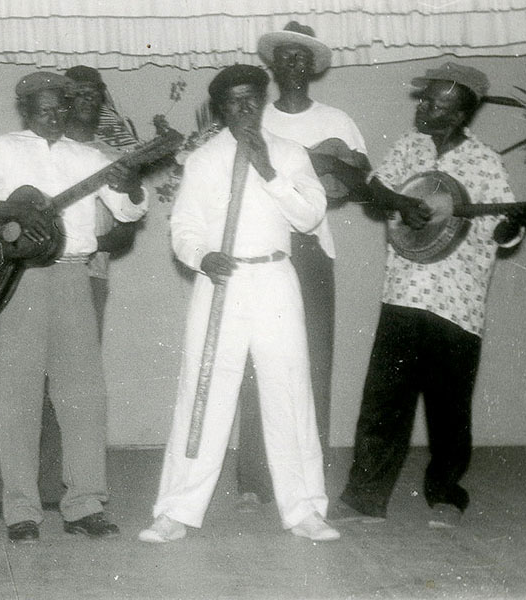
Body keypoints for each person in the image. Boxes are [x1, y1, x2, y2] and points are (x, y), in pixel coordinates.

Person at [138, 64, 339, 543]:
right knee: (202, 391)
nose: (245, 109)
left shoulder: (290, 154)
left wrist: (269, 170)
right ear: (220, 108)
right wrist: (201, 255)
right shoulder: (204, 160)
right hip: (220, 283)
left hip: (274, 280)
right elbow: (183, 228)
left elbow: (310, 216)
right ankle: (175, 511)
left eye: (253, 99)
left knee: (289, 392)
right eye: (234, 102)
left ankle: (305, 509)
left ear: (264, 101)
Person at [326, 63, 526, 527]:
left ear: (460, 114)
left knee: (448, 407)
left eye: (436, 103)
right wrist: (399, 203)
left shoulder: (484, 163)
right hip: (403, 292)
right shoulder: (409, 147)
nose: (423, 107)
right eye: (424, 98)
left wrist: (511, 225)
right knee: (383, 401)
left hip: (456, 303)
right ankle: (364, 499)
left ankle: (445, 494)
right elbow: (376, 190)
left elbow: (502, 232)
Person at [0, 71, 147, 542]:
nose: (55, 117)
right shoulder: (4, 149)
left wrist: (131, 182)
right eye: (44, 110)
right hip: (22, 282)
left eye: (62, 108)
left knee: (85, 396)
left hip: (74, 274)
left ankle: (84, 506)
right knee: (20, 396)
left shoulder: (88, 156)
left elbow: (128, 211)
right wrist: (10, 211)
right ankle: (21, 511)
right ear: (25, 109)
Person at [232, 21, 372, 513]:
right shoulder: (253, 117)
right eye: (285, 56)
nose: (293, 65)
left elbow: (358, 180)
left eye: (302, 58)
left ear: (313, 67)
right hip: (262, 247)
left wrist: (330, 168)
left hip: (312, 248)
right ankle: (254, 476)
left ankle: (306, 475)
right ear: (273, 64)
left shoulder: (337, 119)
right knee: (255, 361)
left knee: (312, 363)